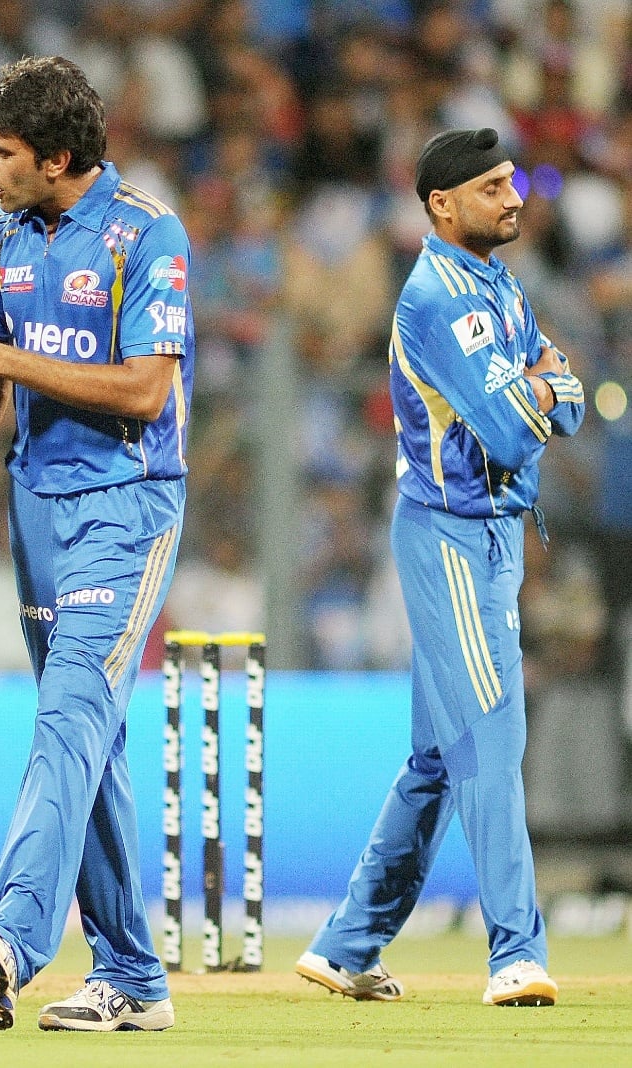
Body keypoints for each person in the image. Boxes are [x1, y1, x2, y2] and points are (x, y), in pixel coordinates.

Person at [0, 56, 194, 1033]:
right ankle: (132, 980)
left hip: (124, 508)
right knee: (89, 745)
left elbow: (146, 389)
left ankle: (13, 942)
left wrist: (0, 356)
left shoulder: (146, 233)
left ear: (56, 158)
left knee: (68, 719)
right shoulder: (3, 235)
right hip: (34, 512)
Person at [294, 128, 585, 1007]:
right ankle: (516, 954)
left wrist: (541, 388)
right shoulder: (439, 299)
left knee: (436, 755)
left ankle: (348, 944)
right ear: (441, 204)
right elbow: (516, 424)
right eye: (493, 186)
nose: (514, 197)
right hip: (454, 536)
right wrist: (543, 386)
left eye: (513, 182)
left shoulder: (495, 285)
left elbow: (564, 402)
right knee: (493, 738)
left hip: (487, 537)